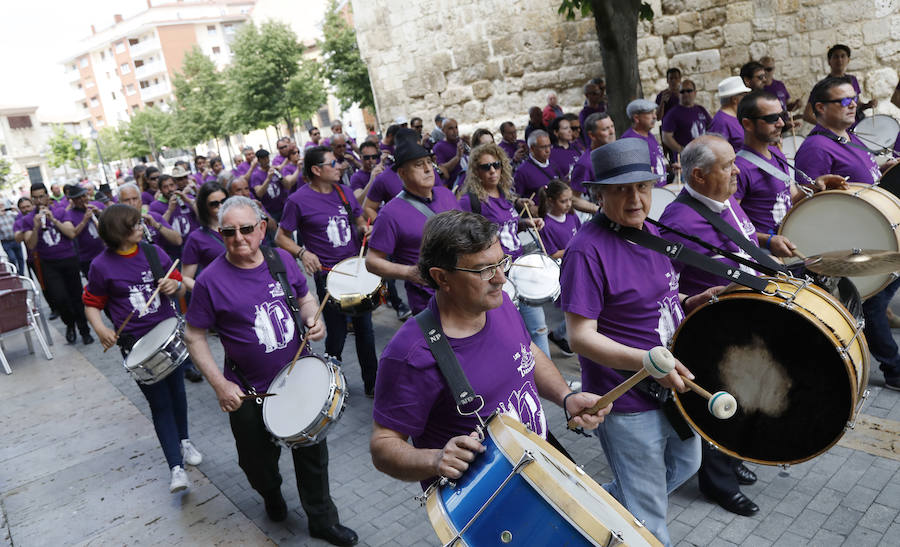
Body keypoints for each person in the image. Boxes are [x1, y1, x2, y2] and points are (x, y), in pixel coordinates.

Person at [369, 210, 610, 488]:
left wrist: (565, 397)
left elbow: (526, 351)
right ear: (442, 278)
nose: (501, 279)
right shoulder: (411, 354)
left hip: (538, 467)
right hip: (487, 504)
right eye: (484, 270)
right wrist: (435, 460)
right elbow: (383, 445)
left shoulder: (500, 303)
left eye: (501, 263)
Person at [561, 138, 716, 546]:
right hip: (627, 398)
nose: (635, 198)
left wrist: (686, 300)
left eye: (642, 187)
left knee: (686, 463)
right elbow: (579, 337)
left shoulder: (649, 232)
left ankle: (600, 510)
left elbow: (653, 297)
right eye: (620, 190)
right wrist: (648, 363)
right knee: (650, 516)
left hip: (672, 386)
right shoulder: (585, 251)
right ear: (599, 195)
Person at [183, 197, 358, 546]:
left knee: (313, 456)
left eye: (247, 229)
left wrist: (314, 317)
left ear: (262, 228)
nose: (239, 238)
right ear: (220, 235)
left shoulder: (280, 260)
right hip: (247, 390)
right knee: (256, 463)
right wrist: (219, 384)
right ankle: (271, 494)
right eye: (229, 232)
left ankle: (322, 519)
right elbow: (194, 335)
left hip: (299, 377)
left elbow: (306, 297)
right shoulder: (209, 281)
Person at [657, 135, 790, 517]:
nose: (738, 171)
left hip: (744, 320)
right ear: (698, 175)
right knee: (718, 406)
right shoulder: (679, 221)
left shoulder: (726, 202)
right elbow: (667, 281)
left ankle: (732, 460)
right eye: (728, 165)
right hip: (711, 330)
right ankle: (718, 484)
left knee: (746, 395)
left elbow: (744, 244)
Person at [83, 203, 202, 493]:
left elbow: (181, 286)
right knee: (159, 403)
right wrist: (101, 329)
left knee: (177, 393)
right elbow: (91, 303)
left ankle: (184, 441)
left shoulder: (153, 252)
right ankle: (176, 467)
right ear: (119, 232)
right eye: (135, 224)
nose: (141, 228)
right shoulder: (101, 265)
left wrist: (176, 288)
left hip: (167, 336)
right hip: (135, 345)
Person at [795, 76, 900, 391]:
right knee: (872, 305)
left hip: (873, 236)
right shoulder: (815, 147)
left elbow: (856, 183)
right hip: (851, 245)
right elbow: (811, 207)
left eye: (853, 98)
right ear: (820, 108)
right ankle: (893, 368)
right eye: (843, 100)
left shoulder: (849, 137)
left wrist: (881, 171)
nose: (852, 104)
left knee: (874, 303)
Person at [275, 146, 378, 397]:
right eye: (333, 163)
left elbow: (359, 219)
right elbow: (280, 237)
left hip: (354, 272)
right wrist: (303, 253)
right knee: (338, 331)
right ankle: (332, 377)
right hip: (328, 276)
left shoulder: (343, 191)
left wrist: (364, 228)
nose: (339, 166)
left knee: (365, 327)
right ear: (316, 170)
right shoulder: (297, 201)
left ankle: (372, 383)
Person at [458, 143, 550, 357]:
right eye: (485, 167)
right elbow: (464, 239)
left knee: (539, 328)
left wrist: (526, 222)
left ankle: (551, 386)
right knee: (509, 333)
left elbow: (506, 227)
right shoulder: (470, 201)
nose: (492, 171)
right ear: (475, 171)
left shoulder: (506, 195)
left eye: (496, 165)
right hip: (497, 275)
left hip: (520, 269)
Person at [365, 129, 460, 314]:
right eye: (418, 165)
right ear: (402, 173)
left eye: (429, 163)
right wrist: (409, 272)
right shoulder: (390, 213)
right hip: (428, 301)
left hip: (462, 289)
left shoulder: (446, 194)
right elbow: (372, 262)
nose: (427, 169)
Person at [734, 90, 846, 243]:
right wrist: (768, 241)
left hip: (789, 242)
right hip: (767, 256)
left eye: (782, 116)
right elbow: (732, 225)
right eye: (772, 118)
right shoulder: (738, 169)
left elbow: (791, 196)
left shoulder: (776, 153)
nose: (781, 123)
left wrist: (816, 185)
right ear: (747, 124)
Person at [21, 183, 93, 345]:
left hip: (68, 259)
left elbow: (71, 233)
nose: (39, 200)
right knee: (60, 299)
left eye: (41, 196)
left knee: (76, 297)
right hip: (48, 263)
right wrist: (36, 226)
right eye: (35, 197)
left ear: (47, 196)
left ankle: (84, 330)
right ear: (32, 199)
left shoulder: (60, 212)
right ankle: (69, 324)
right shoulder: (28, 219)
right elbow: (30, 245)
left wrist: (53, 219)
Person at [538, 180, 581, 356]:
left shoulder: (572, 217)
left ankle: (560, 334)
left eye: (570, 200)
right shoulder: (546, 225)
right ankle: (564, 335)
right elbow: (552, 254)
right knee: (574, 307)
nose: (568, 204)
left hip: (580, 266)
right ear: (550, 201)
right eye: (563, 201)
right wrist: (576, 249)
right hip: (566, 272)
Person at [802, 44, 877, 124]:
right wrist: (828, 128)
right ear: (829, 61)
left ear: (848, 60)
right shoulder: (822, 87)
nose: (839, 60)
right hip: (839, 133)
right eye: (835, 57)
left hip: (858, 127)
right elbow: (807, 115)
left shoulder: (852, 80)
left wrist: (867, 105)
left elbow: (856, 105)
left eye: (843, 56)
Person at [181, 182, 227, 292]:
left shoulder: (242, 226)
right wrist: (208, 293)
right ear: (204, 207)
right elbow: (186, 277)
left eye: (224, 201)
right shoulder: (196, 238)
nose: (221, 206)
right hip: (219, 293)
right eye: (214, 204)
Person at [570, 112, 615, 217]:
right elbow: (574, 199)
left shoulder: (618, 154)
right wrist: (601, 211)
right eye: (605, 129)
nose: (612, 131)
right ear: (592, 135)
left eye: (612, 126)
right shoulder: (584, 164)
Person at [117, 183, 184, 253]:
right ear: (119, 203)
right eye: (126, 200)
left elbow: (178, 241)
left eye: (135, 199)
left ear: (140, 201)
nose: (132, 203)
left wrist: (156, 225)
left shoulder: (153, 217)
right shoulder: (116, 223)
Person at [622, 99, 671, 186]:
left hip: (661, 191)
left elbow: (654, 162)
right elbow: (631, 174)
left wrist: (669, 167)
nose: (655, 117)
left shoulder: (650, 135)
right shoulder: (629, 140)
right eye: (650, 113)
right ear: (636, 118)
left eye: (654, 113)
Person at [149, 172, 199, 257]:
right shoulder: (155, 206)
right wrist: (170, 210)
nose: (170, 189)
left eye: (171, 185)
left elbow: (202, 217)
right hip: (175, 250)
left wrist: (190, 201)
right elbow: (159, 227)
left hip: (194, 245)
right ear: (160, 190)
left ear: (176, 186)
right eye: (165, 187)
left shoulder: (187, 198)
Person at [63, 184, 105, 277]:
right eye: (78, 198)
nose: (82, 199)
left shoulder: (97, 205)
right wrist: (84, 220)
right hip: (86, 257)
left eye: (84, 196)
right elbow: (73, 234)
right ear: (73, 200)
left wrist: (99, 212)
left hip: (105, 251)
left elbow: (112, 220)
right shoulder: (69, 214)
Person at [513, 130, 565, 206]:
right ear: (532, 149)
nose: (548, 150)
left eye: (549, 146)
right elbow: (516, 198)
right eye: (543, 147)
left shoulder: (553, 164)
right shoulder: (522, 171)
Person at [661, 79, 711, 156]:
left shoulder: (701, 110)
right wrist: (681, 149)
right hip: (687, 158)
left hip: (703, 154)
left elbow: (711, 127)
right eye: (682, 91)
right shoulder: (672, 114)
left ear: (695, 92)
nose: (685, 94)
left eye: (689, 91)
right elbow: (666, 136)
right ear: (678, 94)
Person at [249, 149, 296, 223]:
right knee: (275, 232)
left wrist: (279, 175)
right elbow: (259, 194)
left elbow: (288, 186)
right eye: (263, 159)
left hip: (283, 207)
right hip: (270, 211)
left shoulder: (274, 170)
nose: (266, 160)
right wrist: (268, 178)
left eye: (267, 158)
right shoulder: (255, 175)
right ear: (259, 160)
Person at [709, 76, 752, 152]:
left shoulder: (738, 116)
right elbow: (718, 153)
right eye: (744, 95)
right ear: (734, 99)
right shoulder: (720, 122)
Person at [433, 118, 468, 188]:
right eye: (450, 129)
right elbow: (442, 170)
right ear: (443, 131)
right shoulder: (439, 147)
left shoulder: (460, 141)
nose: (455, 131)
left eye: (456, 127)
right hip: (456, 187)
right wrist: (457, 157)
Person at [579, 81, 607, 148]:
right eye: (594, 93)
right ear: (587, 95)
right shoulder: (584, 113)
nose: (598, 95)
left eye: (599, 92)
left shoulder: (604, 108)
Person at [1, 199, 24, 275]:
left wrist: (16, 209)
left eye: (2, 205)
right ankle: (15, 273)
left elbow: (21, 216)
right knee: (12, 258)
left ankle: (21, 274)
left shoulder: (11, 214)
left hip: (16, 239)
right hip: (6, 241)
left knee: (20, 258)